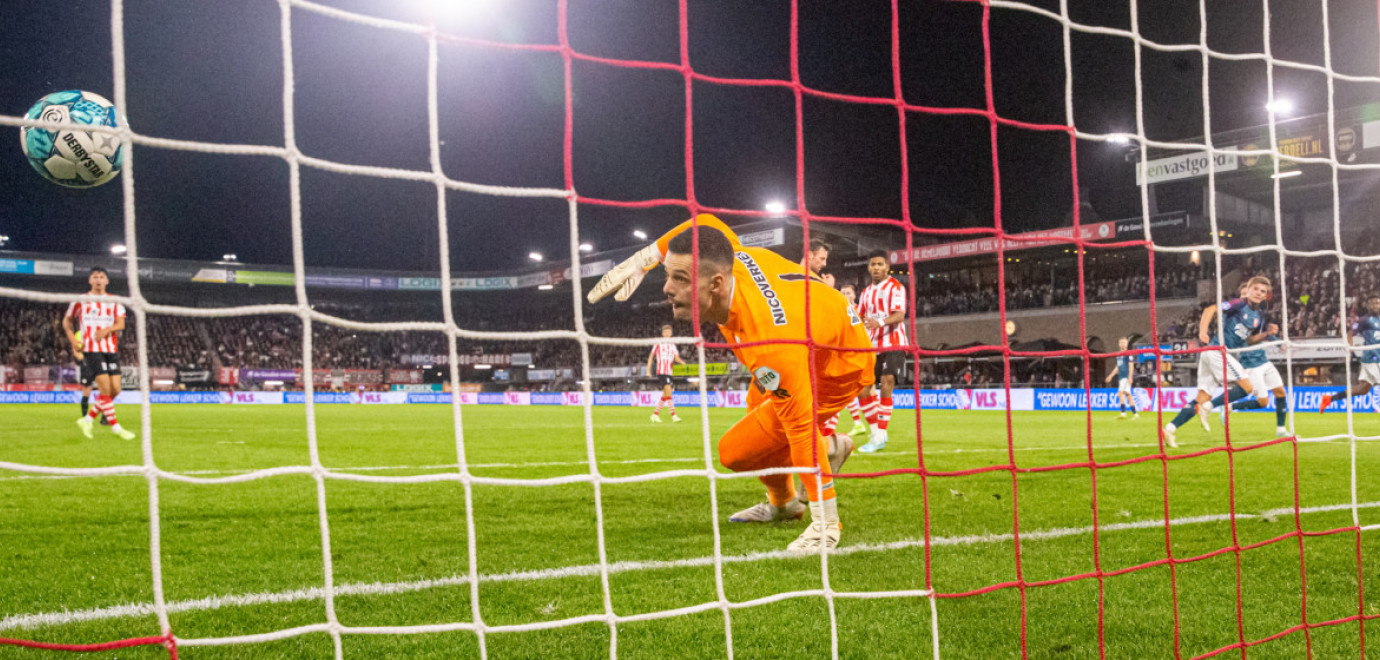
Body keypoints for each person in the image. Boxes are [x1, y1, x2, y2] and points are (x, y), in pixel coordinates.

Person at [588, 214, 874, 552]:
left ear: (717, 285)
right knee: (760, 409)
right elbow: (708, 223)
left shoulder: (771, 344)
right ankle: (783, 504)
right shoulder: (728, 258)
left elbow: (798, 430)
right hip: (811, 333)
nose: (666, 289)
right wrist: (647, 256)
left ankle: (829, 454)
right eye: (669, 276)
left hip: (836, 366)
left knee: (735, 453)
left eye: (680, 279)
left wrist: (825, 521)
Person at [1161, 276, 1271, 448]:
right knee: (1247, 387)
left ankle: (1169, 428)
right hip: (1217, 352)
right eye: (1256, 289)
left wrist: (1266, 335)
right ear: (1248, 290)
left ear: (1266, 296)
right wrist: (1202, 332)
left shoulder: (1258, 317)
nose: (1258, 293)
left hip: (1211, 355)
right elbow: (1210, 310)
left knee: (1201, 398)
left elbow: (1249, 340)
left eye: (1262, 291)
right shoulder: (1240, 304)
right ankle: (1209, 407)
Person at [62, 266, 135, 440]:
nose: (98, 279)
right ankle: (116, 428)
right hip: (91, 349)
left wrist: (107, 330)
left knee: (115, 389)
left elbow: (121, 324)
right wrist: (72, 339)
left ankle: (87, 419)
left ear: (107, 281)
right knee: (105, 388)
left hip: (110, 349)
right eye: (95, 276)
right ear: (90, 280)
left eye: (102, 277)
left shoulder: (115, 301)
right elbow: (67, 320)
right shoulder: (81, 300)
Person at [855, 251, 908, 453]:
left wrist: (880, 322)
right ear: (868, 268)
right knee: (862, 389)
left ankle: (878, 436)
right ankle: (877, 431)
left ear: (887, 267)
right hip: (871, 346)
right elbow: (859, 317)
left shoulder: (896, 287)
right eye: (873, 264)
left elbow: (900, 315)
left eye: (880, 264)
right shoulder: (866, 292)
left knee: (887, 382)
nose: (876, 267)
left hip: (894, 343)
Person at [1226, 283, 1290, 437]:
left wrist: (1278, 342)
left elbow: (1264, 330)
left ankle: (1281, 430)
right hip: (1251, 365)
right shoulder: (1236, 317)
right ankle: (1231, 406)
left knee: (1281, 392)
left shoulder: (1256, 314)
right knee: (1263, 403)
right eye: (1242, 295)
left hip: (1263, 360)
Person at [1319, 294, 1380, 413]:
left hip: (1378, 358)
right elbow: (1350, 333)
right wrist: (1351, 349)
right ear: (1368, 306)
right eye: (1374, 303)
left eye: (1378, 303)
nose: (1376, 305)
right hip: (1371, 358)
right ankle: (1377, 407)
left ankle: (1329, 399)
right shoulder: (1364, 320)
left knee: (1363, 389)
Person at [838, 284, 870, 438]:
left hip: (861, 354)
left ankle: (875, 428)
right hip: (846, 355)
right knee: (847, 391)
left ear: (854, 295)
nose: (845, 294)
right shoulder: (839, 310)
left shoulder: (860, 310)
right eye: (842, 292)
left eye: (848, 292)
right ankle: (859, 424)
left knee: (866, 390)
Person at [646, 323, 686, 423]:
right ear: (663, 334)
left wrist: (681, 362)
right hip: (662, 371)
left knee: (665, 395)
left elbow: (676, 358)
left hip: (669, 372)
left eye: (669, 332)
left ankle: (655, 415)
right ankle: (674, 415)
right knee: (669, 393)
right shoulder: (658, 343)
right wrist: (648, 370)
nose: (667, 333)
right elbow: (651, 356)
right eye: (665, 332)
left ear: (671, 333)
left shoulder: (673, 345)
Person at [1104, 337, 1139, 419]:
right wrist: (1111, 375)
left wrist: (1130, 377)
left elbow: (1131, 366)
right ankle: (1135, 414)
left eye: (1124, 342)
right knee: (1128, 395)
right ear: (1119, 344)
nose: (1123, 344)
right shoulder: (1119, 355)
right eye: (1121, 342)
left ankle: (1123, 413)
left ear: (1127, 344)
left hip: (1126, 377)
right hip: (1121, 377)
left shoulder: (1128, 354)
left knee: (1120, 393)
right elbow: (1117, 367)